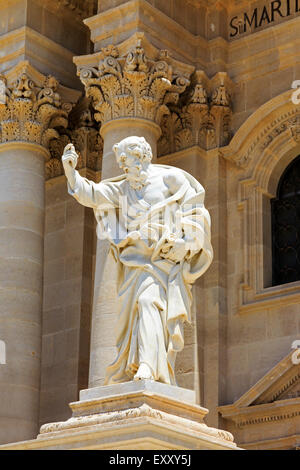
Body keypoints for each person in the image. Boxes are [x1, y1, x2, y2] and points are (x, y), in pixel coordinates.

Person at [62, 136, 213, 385]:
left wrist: (185, 244)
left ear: (141, 156)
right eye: (120, 161)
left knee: (147, 301)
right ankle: (138, 366)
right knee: (132, 318)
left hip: (163, 262)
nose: (122, 166)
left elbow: (196, 213)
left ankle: (148, 366)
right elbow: (93, 194)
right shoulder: (124, 188)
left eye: (125, 159)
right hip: (135, 263)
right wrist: (71, 173)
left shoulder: (171, 179)